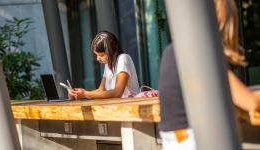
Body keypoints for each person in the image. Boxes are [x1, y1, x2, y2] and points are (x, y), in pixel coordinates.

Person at [158, 0, 260, 149]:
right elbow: (250, 102)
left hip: (175, 141)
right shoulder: (201, 52)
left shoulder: (173, 50)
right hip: (193, 141)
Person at [68, 31, 139, 99]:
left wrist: (86, 94)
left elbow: (117, 92)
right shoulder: (108, 64)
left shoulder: (123, 58)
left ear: (111, 51)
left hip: (130, 107)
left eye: (101, 55)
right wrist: (79, 93)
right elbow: (101, 90)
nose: (98, 59)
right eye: (96, 55)